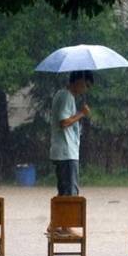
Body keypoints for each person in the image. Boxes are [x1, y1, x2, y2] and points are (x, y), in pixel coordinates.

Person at [47, 70, 93, 234]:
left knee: (64, 190)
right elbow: (64, 122)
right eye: (85, 85)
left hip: (64, 151)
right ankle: (64, 225)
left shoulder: (63, 95)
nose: (85, 89)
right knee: (69, 191)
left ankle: (55, 224)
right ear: (78, 81)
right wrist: (82, 113)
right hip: (66, 152)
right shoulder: (66, 96)